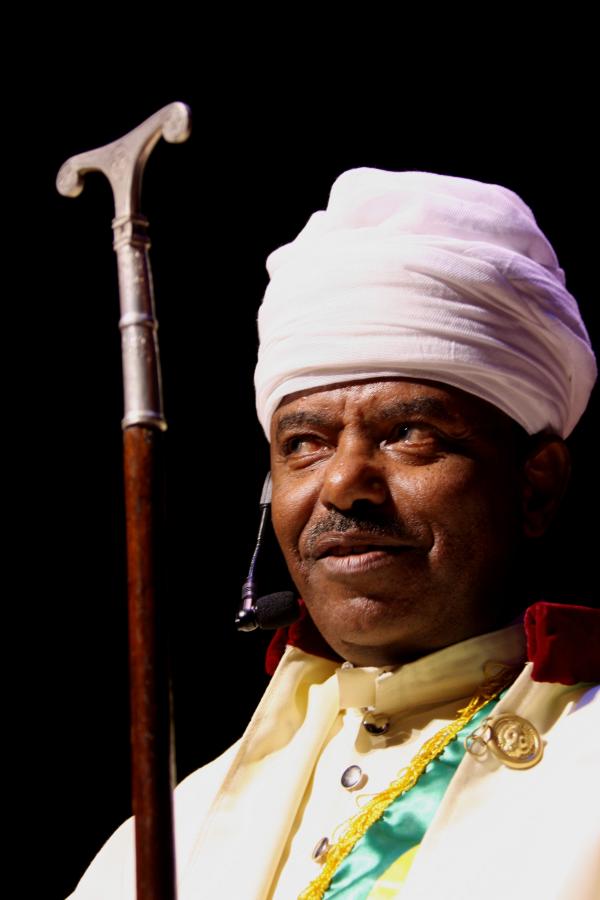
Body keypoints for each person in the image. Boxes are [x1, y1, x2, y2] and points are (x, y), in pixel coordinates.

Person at [68, 169, 600, 899]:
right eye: (306, 444)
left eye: (409, 433)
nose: (344, 483)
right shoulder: (171, 834)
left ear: (535, 485)